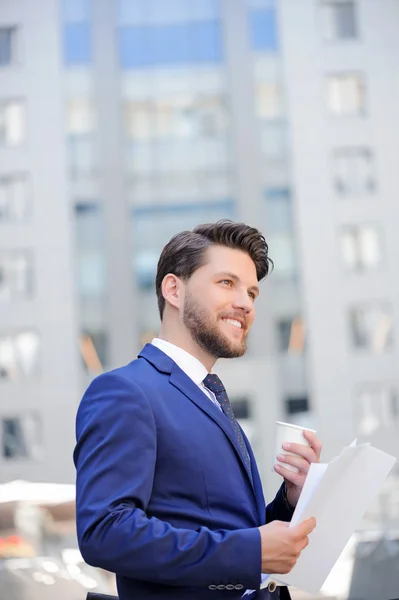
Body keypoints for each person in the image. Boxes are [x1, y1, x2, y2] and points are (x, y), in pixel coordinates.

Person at [74, 220, 321, 599]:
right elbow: (104, 532)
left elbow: (229, 530)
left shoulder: (210, 396)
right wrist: (251, 551)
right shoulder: (125, 391)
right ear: (174, 289)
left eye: (252, 292)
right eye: (227, 283)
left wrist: (288, 501)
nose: (246, 303)